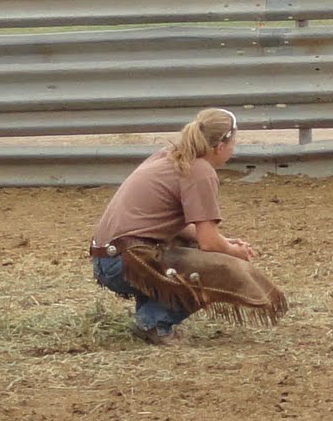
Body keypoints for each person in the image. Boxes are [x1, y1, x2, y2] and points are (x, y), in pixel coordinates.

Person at [90, 108, 286, 345]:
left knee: (195, 247)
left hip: (108, 258)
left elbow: (167, 225)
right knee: (223, 267)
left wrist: (225, 242)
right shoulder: (200, 171)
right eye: (234, 142)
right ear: (220, 147)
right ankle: (154, 323)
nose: (234, 148)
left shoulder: (168, 156)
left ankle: (149, 315)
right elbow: (208, 242)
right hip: (125, 261)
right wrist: (234, 252)